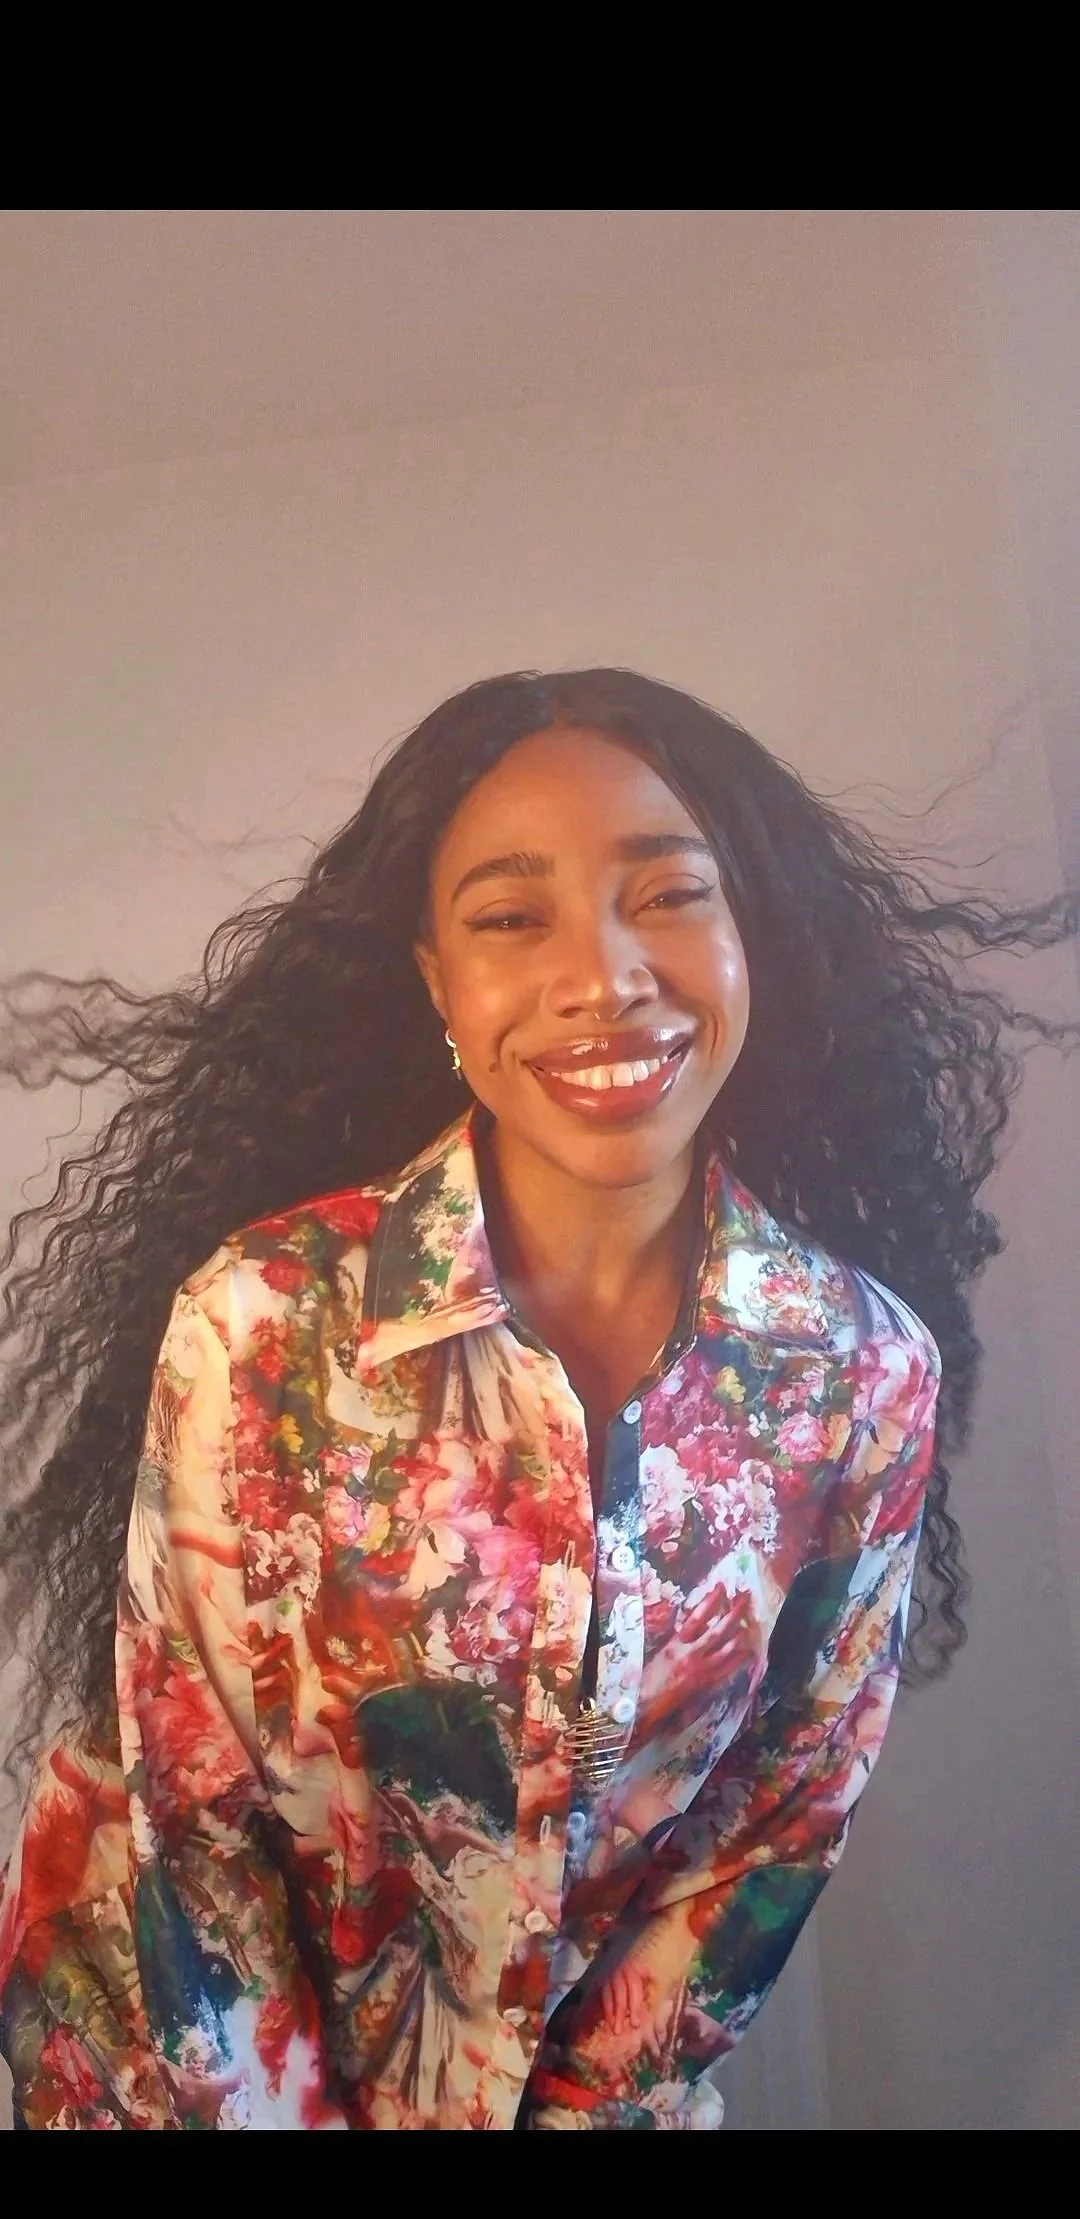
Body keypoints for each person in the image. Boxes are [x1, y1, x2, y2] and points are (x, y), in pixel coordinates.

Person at [0, 668, 1075, 2131]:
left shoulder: (860, 1374)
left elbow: (772, 1828)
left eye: (671, 896)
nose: (606, 972)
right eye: (515, 918)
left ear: (755, 939)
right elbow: (199, 1841)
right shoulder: (263, 1324)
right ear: (439, 982)